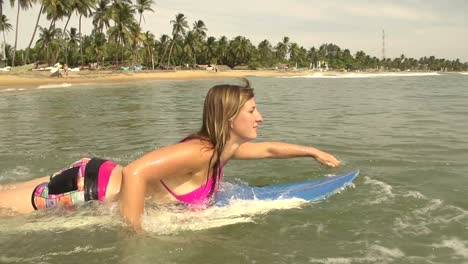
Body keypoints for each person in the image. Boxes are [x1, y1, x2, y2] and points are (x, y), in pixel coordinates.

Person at [0, 79, 340, 231]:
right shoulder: (201, 151)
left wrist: (311, 151)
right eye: (252, 110)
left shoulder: (223, 150)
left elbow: (268, 149)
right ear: (229, 117)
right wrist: (135, 234)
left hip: (96, 175)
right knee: (9, 211)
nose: (260, 116)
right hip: (90, 187)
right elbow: (135, 173)